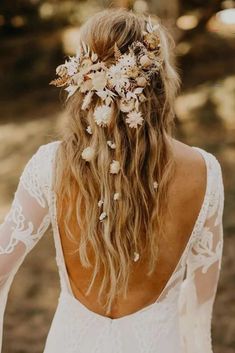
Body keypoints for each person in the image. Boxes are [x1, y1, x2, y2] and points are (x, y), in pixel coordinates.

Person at [0, 8, 224, 353]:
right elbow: (199, 305)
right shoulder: (203, 171)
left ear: (83, 79)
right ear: (159, 79)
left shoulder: (51, 165)